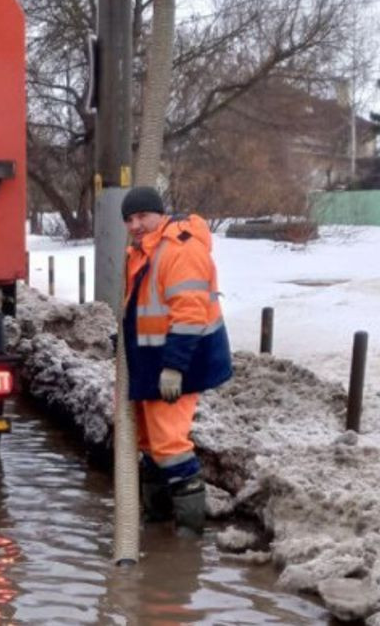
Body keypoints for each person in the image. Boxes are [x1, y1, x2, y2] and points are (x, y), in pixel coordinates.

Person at [120, 186, 232, 535]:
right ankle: (158, 522)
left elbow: (189, 314)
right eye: (129, 219)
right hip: (152, 360)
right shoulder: (143, 251)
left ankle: (187, 536)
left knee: (169, 444)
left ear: (159, 215)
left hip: (180, 363)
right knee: (150, 445)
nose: (136, 225)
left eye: (142, 217)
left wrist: (174, 368)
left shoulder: (179, 250)